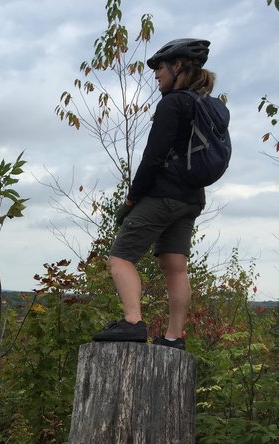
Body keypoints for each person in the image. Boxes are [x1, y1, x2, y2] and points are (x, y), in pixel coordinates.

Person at [91, 38, 217, 351]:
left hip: (162, 195)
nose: (156, 74)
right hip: (191, 199)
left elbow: (153, 157)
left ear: (177, 67)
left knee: (120, 258)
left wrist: (132, 199)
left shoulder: (173, 103)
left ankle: (132, 322)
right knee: (175, 266)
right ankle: (174, 338)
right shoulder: (206, 105)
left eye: (159, 67)